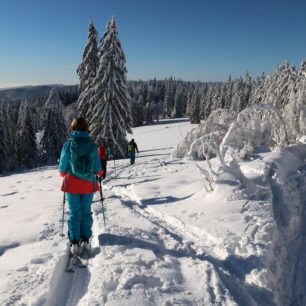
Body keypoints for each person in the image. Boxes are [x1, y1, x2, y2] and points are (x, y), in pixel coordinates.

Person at [59, 117, 103, 256]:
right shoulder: (92, 144)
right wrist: (99, 172)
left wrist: (65, 172)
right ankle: (85, 239)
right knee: (86, 212)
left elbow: (62, 169)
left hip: (72, 184)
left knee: (74, 213)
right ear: (86, 128)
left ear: (73, 128)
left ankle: (74, 241)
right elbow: (98, 168)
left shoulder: (68, 145)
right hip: (88, 185)